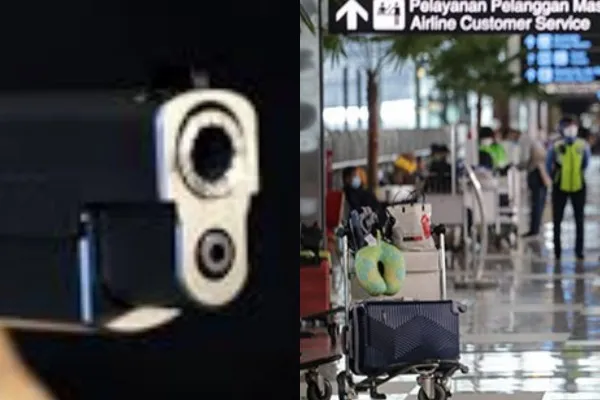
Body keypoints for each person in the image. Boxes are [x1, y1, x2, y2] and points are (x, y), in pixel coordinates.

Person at [546, 116, 591, 260]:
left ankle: (579, 251)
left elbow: (585, 164)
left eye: (573, 126)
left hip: (578, 186)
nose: (571, 129)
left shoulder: (582, 145)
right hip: (560, 186)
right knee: (557, 220)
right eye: (568, 126)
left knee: (579, 221)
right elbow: (548, 164)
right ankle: (557, 251)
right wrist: (555, 178)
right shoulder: (556, 145)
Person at [521, 132, 552, 238]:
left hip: (537, 175)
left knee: (537, 203)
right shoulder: (537, 144)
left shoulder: (533, 143)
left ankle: (535, 228)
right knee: (538, 203)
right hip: (539, 175)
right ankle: (535, 228)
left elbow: (526, 160)